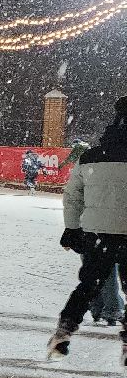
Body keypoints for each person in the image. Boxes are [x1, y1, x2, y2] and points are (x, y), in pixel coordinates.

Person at [48, 97, 127, 363]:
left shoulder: (91, 156)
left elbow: (72, 196)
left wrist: (71, 227)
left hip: (97, 232)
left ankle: (64, 331)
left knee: (88, 285)